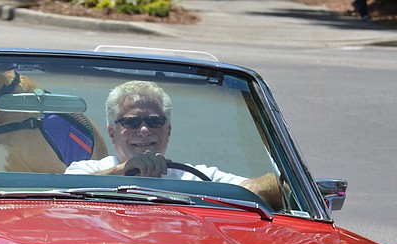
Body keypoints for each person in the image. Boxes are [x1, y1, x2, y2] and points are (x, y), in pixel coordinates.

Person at [65, 80, 283, 209]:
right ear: (112, 133)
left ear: (167, 131)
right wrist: (126, 170)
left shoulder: (195, 177)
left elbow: (264, 189)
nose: (143, 130)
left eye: (154, 121)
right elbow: (64, 194)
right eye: (131, 122)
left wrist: (266, 187)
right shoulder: (87, 171)